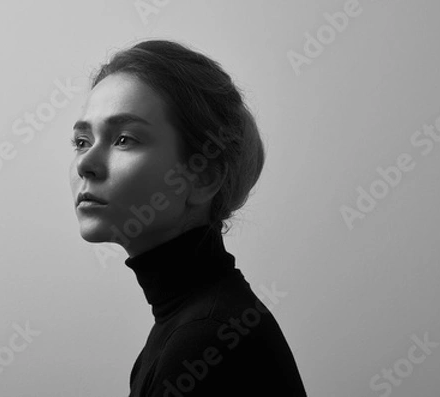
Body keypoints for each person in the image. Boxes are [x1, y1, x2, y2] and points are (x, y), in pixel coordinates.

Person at [69, 39, 307, 396]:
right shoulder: (193, 324)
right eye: (82, 141)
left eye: (124, 139)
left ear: (204, 177)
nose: (85, 164)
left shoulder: (205, 340)